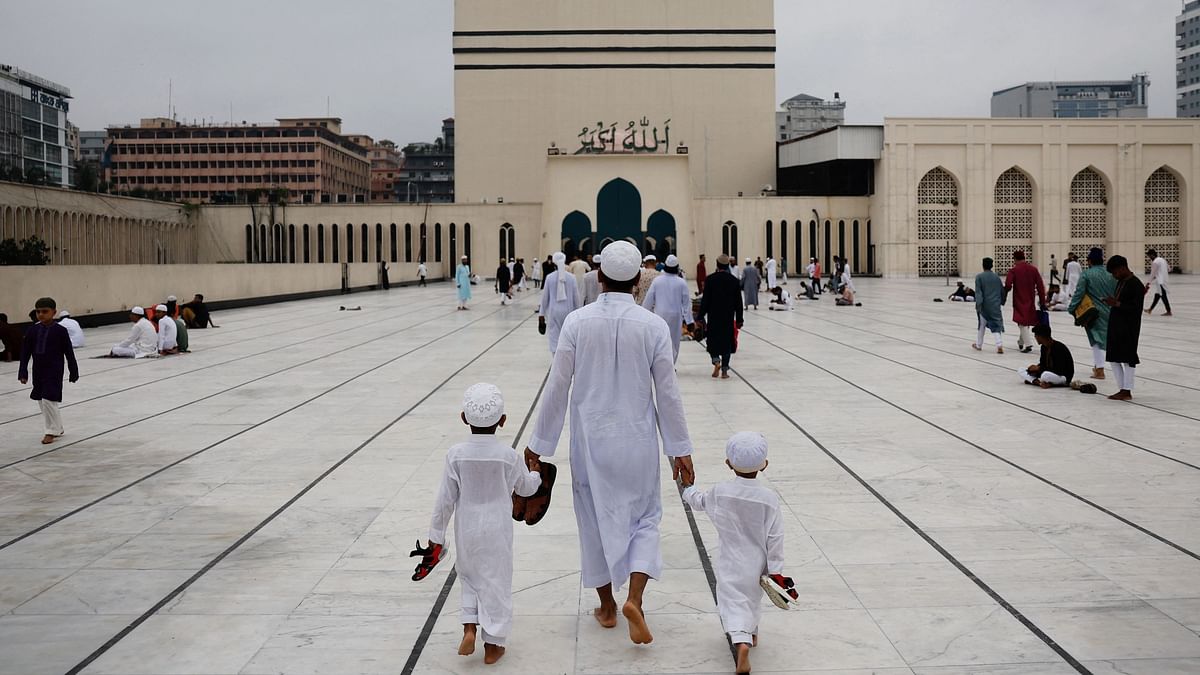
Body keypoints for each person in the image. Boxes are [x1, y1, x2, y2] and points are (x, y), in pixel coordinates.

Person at [525, 240, 694, 646]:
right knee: (646, 518)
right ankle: (635, 597)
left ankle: (607, 606)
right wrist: (680, 449)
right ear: (638, 281)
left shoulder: (577, 323)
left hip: (590, 441)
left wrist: (538, 444)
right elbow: (667, 393)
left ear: (599, 277)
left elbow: (557, 386)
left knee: (592, 517)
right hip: (637, 441)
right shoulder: (652, 326)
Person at [423, 383, 542, 665]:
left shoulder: (455, 455)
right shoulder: (507, 456)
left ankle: (469, 627)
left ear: (464, 418)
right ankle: (493, 644)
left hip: (467, 527)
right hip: (497, 529)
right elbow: (525, 489)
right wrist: (536, 474)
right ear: (502, 421)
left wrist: (435, 535)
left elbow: (444, 500)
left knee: (469, 577)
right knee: (496, 581)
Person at [681, 432, 795, 675]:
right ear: (764, 464)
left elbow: (699, 501)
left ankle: (741, 641)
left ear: (728, 463)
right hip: (758, 561)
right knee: (751, 599)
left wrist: (687, 488)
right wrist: (776, 570)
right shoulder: (768, 499)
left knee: (732, 600)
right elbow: (776, 536)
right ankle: (751, 633)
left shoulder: (721, 492)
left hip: (729, 559)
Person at [19, 297, 79, 445]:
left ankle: (50, 431)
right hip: (38, 370)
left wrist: (73, 371)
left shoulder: (60, 331)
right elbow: (25, 352)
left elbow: (69, 352)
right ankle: (58, 427)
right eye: (38, 311)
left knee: (48, 399)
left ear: (54, 312)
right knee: (41, 399)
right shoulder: (33, 330)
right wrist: (23, 372)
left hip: (54, 370)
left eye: (45, 311)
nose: (41, 314)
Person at [1068, 248, 1114, 380]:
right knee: (1108, 338)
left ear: (1089, 261)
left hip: (1093, 312)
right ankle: (1100, 366)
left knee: (1096, 340)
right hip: (1110, 310)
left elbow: (1079, 293)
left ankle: (1099, 369)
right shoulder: (1110, 273)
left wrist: (1072, 308)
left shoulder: (1087, 274)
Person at [1103, 255, 1144, 401]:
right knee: (1114, 357)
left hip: (1129, 326)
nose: (1114, 276)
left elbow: (1136, 308)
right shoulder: (1121, 282)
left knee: (1128, 358)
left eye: (1115, 272)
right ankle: (1122, 388)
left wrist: (1116, 304)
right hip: (1116, 324)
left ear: (1122, 268)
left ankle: (1127, 390)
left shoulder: (1136, 285)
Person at [698, 254, 745, 379]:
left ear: (717, 264)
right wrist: (739, 319)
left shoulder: (710, 280)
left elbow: (705, 300)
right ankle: (724, 370)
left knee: (712, 341)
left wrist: (700, 316)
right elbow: (738, 303)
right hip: (728, 317)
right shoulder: (734, 281)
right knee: (727, 343)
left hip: (714, 316)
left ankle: (715, 361)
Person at [642, 254, 695, 362]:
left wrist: (643, 314)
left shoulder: (658, 281)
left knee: (660, 340)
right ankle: (671, 363)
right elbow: (686, 303)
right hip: (676, 316)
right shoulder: (681, 282)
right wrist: (689, 321)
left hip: (660, 315)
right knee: (674, 342)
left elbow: (649, 300)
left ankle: (661, 361)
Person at [1003, 250, 1046, 354]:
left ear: (1015, 259)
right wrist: (1042, 301)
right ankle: (1021, 341)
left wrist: (1003, 294)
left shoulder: (1013, 270)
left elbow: (1008, 285)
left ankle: (1028, 344)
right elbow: (1040, 287)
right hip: (1030, 300)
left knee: (1021, 321)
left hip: (1019, 299)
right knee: (1025, 321)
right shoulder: (1033, 269)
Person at [538, 252, 580, 354]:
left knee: (554, 336)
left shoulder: (550, 277)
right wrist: (578, 312)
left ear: (554, 262)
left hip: (554, 311)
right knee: (568, 336)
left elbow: (545, 298)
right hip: (569, 311)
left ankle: (556, 358)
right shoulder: (571, 277)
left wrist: (541, 314)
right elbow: (576, 297)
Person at [1019, 324, 1074, 388]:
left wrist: (1039, 368)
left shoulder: (1059, 348)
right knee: (1021, 370)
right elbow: (1043, 364)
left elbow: (1059, 370)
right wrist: (1036, 367)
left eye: (1036, 335)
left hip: (1063, 376)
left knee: (1045, 375)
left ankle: (1037, 381)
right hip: (1048, 372)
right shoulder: (1043, 347)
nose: (1035, 337)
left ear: (1041, 336)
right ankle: (1039, 383)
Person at [973, 257, 1005, 353]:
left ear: (983, 265)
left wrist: (978, 305)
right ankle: (999, 344)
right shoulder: (996, 277)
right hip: (995, 305)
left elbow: (978, 293)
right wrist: (1002, 302)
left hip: (984, 306)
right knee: (996, 324)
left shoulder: (979, 277)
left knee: (982, 325)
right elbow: (1002, 291)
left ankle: (979, 345)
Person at [1145, 249, 1172, 317]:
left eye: (1149, 256)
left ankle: (1168, 311)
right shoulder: (1162, 260)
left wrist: (1148, 282)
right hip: (1164, 280)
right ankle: (1150, 309)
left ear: (1152, 255)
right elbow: (1169, 269)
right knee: (1157, 295)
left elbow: (1153, 273)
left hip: (1160, 281)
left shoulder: (1155, 262)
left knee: (1163, 296)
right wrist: (1162, 273)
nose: (1149, 257)